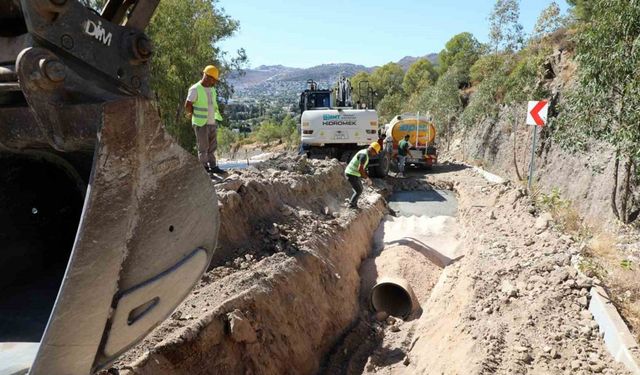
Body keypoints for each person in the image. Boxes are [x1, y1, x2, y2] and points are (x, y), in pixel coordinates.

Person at [185, 65, 225, 174]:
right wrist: (193, 114)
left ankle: (213, 167)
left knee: (212, 147)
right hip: (200, 123)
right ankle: (204, 169)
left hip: (212, 122)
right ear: (207, 77)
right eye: (214, 79)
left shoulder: (212, 89)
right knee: (203, 147)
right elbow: (188, 105)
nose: (215, 82)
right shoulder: (195, 89)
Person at [345, 142, 381, 209]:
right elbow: (360, 169)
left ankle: (354, 205)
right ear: (372, 149)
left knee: (360, 189)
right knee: (359, 190)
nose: (374, 154)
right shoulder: (364, 155)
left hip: (354, 173)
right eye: (375, 152)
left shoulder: (365, 153)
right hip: (351, 173)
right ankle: (351, 205)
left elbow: (362, 169)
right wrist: (367, 179)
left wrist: (365, 176)